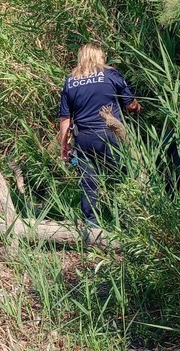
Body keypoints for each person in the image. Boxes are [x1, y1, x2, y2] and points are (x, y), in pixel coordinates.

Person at [59, 44, 141, 226]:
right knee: (121, 178)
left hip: (83, 138)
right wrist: (138, 107)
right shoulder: (111, 74)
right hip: (109, 135)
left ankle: (92, 226)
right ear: (100, 57)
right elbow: (130, 104)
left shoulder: (70, 80)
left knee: (88, 182)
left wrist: (64, 144)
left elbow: (65, 117)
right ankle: (129, 222)